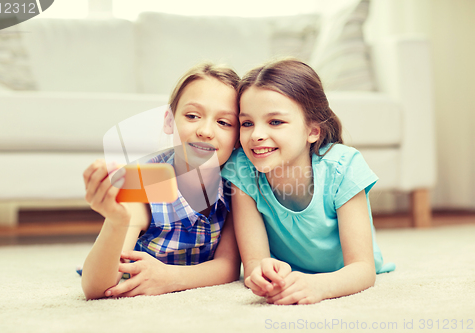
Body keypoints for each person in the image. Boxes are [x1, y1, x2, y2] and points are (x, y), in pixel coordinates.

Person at [221, 58, 395, 305]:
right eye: (247, 123)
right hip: (289, 273)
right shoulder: (241, 169)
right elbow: (253, 262)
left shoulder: (344, 168)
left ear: (313, 131)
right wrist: (261, 274)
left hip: (343, 271)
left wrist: (319, 286)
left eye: (275, 122)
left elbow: (363, 269)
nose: (256, 135)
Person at [81, 63, 241, 300]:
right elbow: (96, 289)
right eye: (192, 116)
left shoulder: (235, 183)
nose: (206, 131)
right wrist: (117, 220)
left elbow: (228, 267)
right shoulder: (144, 183)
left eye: (224, 122)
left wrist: (170, 278)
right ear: (169, 121)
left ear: (239, 137)